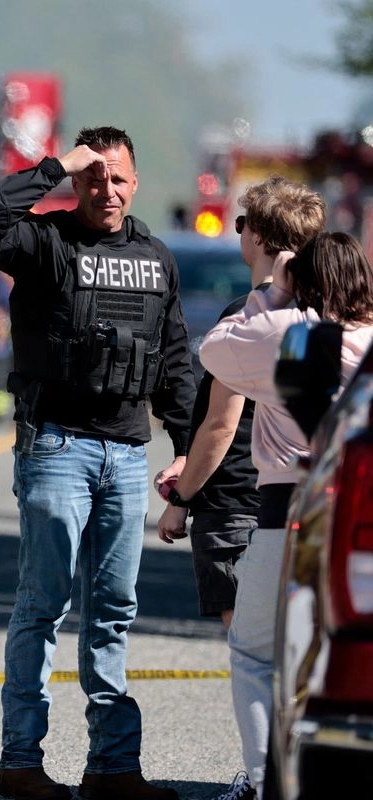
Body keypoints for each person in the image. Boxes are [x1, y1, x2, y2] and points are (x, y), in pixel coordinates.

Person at [0, 126, 195, 800]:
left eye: (119, 178)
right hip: (57, 446)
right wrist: (57, 167)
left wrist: (183, 445)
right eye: (94, 178)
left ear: (136, 181)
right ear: (77, 181)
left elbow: (174, 355)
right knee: (43, 606)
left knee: (115, 611)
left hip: (127, 452)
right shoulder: (46, 242)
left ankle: (114, 769)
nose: (108, 190)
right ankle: (22, 764)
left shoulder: (155, 257)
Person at [199, 225, 373, 800]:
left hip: (290, 516)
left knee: (254, 651)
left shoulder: (292, 332)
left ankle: (261, 781)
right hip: (362, 525)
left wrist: (271, 291)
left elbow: (215, 350)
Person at [156, 178, 326, 633]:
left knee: (249, 648)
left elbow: (220, 426)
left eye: (240, 224)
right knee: (293, 648)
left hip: (237, 504)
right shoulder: (326, 314)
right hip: (309, 498)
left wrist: (181, 497)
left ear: (260, 237)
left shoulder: (247, 321)